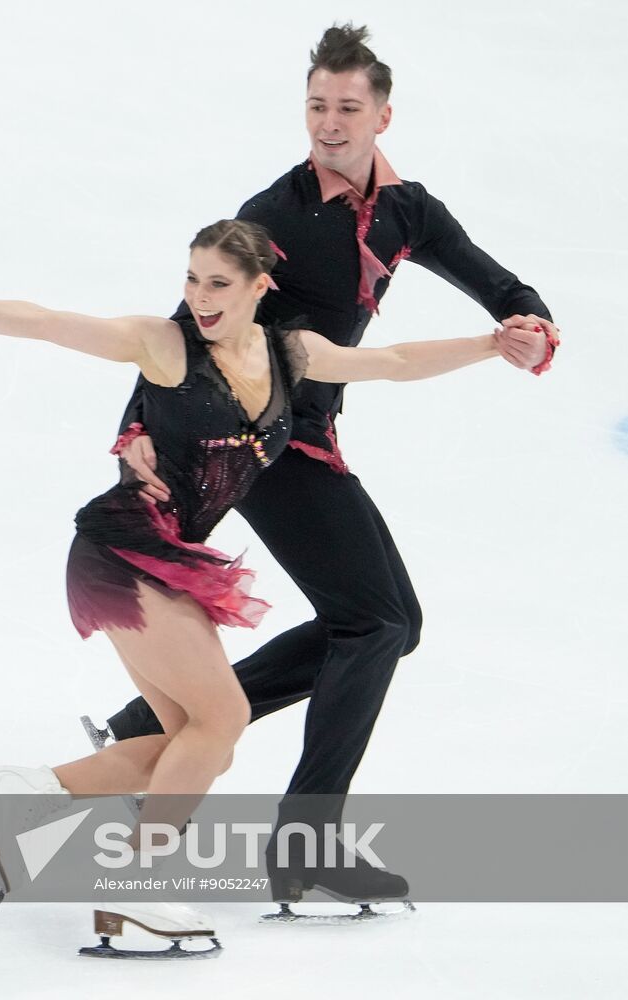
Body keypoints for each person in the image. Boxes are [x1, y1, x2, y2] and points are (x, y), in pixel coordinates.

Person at [0, 219, 519, 955]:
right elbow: (47, 324)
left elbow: (393, 360)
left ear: (259, 286)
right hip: (122, 553)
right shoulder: (166, 348)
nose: (199, 297)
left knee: (185, 741)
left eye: (217, 283)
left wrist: (491, 344)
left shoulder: (291, 353)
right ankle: (135, 892)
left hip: (153, 560)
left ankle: (11, 795)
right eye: (191, 278)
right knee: (219, 721)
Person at [92, 24, 560, 909]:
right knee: (375, 622)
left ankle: (149, 726)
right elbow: (183, 322)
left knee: (386, 623)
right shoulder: (273, 213)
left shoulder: (407, 209)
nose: (330, 124)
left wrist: (529, 324)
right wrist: (133, 431)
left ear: (383, 114)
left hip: (312, 433)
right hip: (258, 437)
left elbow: (497, 283)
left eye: (348, 108)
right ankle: (306, 842)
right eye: (316, 107)